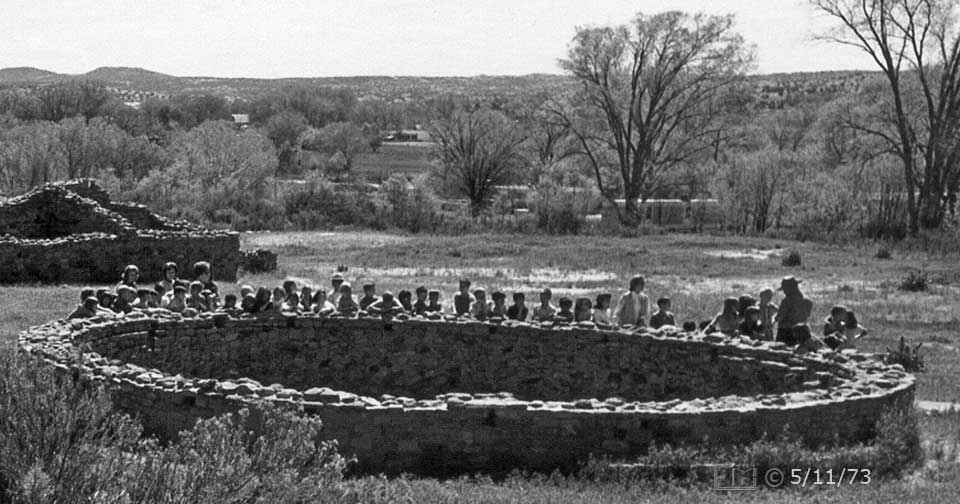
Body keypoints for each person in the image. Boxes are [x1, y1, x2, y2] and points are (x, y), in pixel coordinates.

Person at [775, 276, 813, 346]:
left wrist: (775, 318)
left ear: (791, 288)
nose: (784, 292)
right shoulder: (808, 300)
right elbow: (808, 315)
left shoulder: (787, 301)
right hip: (803, 332)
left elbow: (779, 317)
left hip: (786, 333)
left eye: (785, 289)